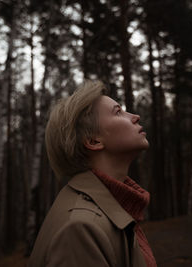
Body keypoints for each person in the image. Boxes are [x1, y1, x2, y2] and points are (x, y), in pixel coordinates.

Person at [28, 80, 157, 267]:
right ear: (93, 141)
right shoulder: (81, 229)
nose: (135, 116)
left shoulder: (110, 209)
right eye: (118, 112)